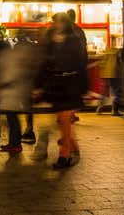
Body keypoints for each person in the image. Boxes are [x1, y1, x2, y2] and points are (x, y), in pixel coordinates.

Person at [37, 12, 88, 169]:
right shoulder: (50, 41)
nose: (57, 25)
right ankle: (72, 146)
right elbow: (43, 63)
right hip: (56, 83)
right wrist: (39, 84)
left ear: (65, 24)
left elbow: (82, 62)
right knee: (61, 120)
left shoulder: (74, 40)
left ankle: (64, 154)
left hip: (70, 83)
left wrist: (84, 87)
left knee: (64, 118)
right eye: (55, 22)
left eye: (60, 22)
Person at [13, 31, 39, 143]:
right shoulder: (33, 46)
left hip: (22, 80)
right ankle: (29, 130)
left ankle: (24, 133)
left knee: (19, 107)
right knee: (28, 108)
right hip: (29, 81)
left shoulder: (18, 46)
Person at [97, 40, 124, 116]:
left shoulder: (105, 52)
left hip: (105, 74)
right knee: (117, 92)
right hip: (115, 74)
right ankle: (115, 110)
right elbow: (121, 61)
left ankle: (100, 107)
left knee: (104, 92)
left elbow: (101, 63)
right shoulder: (118, 52)